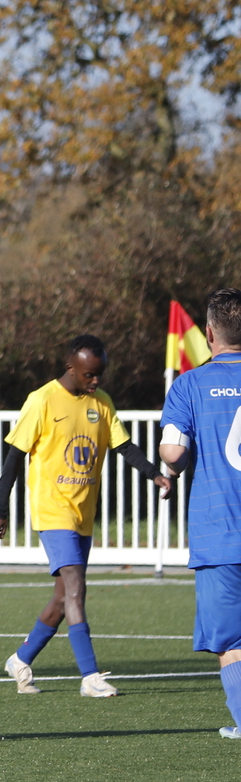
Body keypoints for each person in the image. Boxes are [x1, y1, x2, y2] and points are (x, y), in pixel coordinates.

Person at [0, 334, 170, 697]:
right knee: (76, 587)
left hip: (83, 513)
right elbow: (14, 457)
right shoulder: (41, 400)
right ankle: (90, 677)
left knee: (62, 598)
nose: (96, 380)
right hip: (52, 511)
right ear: (71, 367)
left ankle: (21, 660)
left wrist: (154, 474)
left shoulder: (101, 402)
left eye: (100, 373)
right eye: (90, 374)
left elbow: (124, 446)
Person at [159, 288, 241, 738]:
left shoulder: (190, 384)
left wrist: (169, 468)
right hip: (222, 532)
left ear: (209, 333)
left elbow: (174, 453)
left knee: (231, 640)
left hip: (220, 531)